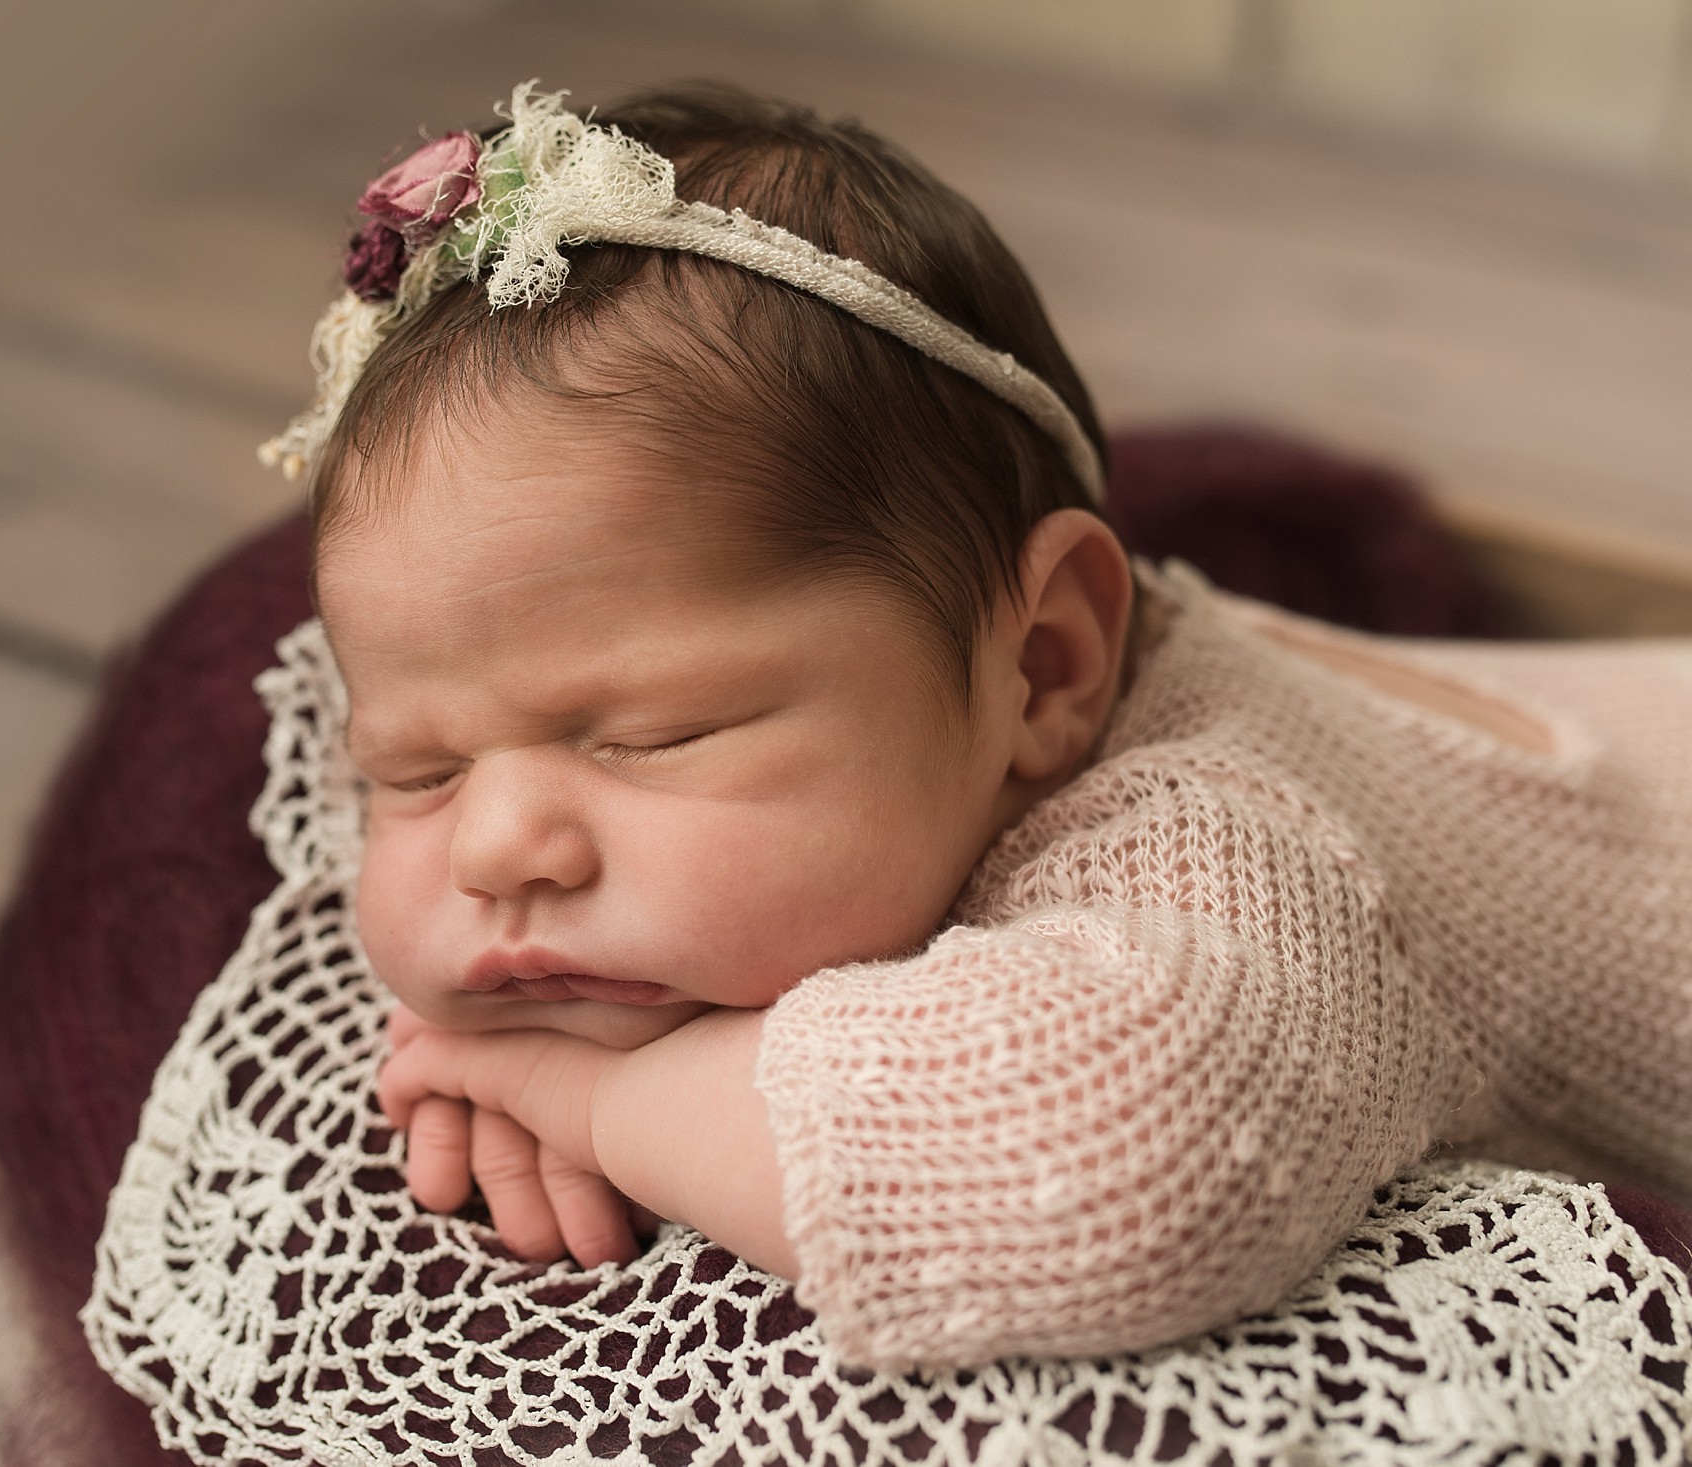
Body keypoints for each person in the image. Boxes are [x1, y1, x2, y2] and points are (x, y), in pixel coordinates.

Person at [227, 83, 1692, 1371]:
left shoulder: (1221, 833)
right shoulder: (934, 744)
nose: (492, 846)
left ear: (1046, 668)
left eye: (653, 737)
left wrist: (593, 1097)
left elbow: (1123, 1168)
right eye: (411, 770)